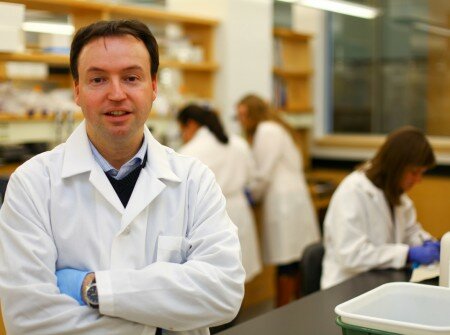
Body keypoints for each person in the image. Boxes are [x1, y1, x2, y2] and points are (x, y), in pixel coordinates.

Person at [0, 20, 245, 334]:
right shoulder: (32, 186)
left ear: (153, 86)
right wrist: (159, 316)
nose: (116, 94)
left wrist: (92, 288)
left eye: (131, 77)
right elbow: (29, 321)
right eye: (98, 79)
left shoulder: (195, 180)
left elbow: (223, 294)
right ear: (77, 90)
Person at [321, 126, 440, 289]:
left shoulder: (397, 194)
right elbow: (352, 255)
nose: (418, 179)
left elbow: (410, 232)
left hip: (381, 281)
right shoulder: (353, 192)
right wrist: (407, 254)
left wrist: (428, 243)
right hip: (346, 287)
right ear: (396, 166)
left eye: (422, 173)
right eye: (414, 172)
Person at [236, 94, 320, 306]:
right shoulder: (275, 128)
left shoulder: (267, 130)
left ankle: (282, 311)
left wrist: (251, 194)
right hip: (292, 200)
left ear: (254, 113)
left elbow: (263, 173)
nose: (241, 120)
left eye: (244, 115)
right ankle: (296, 309)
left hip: (284, 203)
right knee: (294, 261)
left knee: (287, 263)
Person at [177, 104, 262, 283]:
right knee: (238, 275)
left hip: (208, 215)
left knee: (214, 279)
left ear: (191, 125)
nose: (183, 136)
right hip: (239, 208)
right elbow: (253, 179)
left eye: (182, 130)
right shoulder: (239, 144)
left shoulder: (188, 153)